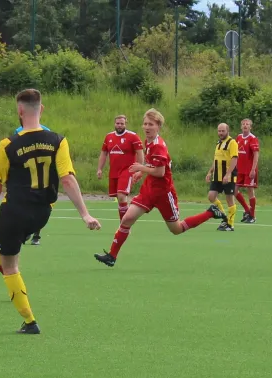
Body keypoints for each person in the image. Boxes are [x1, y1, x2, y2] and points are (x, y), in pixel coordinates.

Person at [0, 89, 101, 334]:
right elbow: (67, 179)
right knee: (4, 248)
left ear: (19, 111)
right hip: (42, 214)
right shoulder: (58, 140)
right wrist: (85, 214)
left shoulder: (7, 145)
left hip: (14, 212)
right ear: (41, 109)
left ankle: (29, 321)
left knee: (10, 264)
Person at [94, 109, 227, 267]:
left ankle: (210, 212)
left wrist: (141, 169)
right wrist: (141, 172)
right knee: (127, 219)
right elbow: (152, 166)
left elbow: (160, 172)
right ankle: (112, 256)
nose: (146, 127)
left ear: (158, 126)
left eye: (151, 124)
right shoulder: (148, 141)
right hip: (149, 189)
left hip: (164, 193)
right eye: (145, 124)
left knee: (176, 229)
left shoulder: (158, 146)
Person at [97, 115, 144, 221]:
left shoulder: (133, 136)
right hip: (114, 171)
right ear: (114, 124)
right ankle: (126, 219)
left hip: (128, 170)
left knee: (122, 195)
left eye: (122, 123)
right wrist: (99, 169)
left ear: (125, 124)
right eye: (117, 123)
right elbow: (104, 153)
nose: (119, 125)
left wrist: (140, 169)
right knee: (120, 199)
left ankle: (124, 224)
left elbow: (140, 153)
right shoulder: (109, 137)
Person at [16, 120, 51, 246]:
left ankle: (36, 235)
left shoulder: (46, 131)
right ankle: (27, 230)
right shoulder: (18, 131)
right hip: (25, 174)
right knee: (24, 204)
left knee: (39, 206)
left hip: (41, 176)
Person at [206, 123, 238, 231]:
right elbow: (216, 160)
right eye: (219, 131)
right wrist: (210, 172)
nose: (220, 133)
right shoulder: (218, 143)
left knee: (229, 199)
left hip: (228, 175)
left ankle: (230, 224)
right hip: (217, 175)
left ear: (227, 131)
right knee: (211, 196)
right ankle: (224, 217)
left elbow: (234, 159)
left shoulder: (232, 142)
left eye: (223, 131)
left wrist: (228, 174)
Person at [235, 119, 260, 224]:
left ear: (251, 127)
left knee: (250, 190)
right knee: (234, 190)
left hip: (249, 170)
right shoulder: (239, 137)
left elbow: (256, 154)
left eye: (247, 124)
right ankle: (247, 210)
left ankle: (252, 216)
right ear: (241, 126)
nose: (245, 125)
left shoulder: (252, 138)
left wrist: (253, 169)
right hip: (239, 169)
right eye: (243, 124)